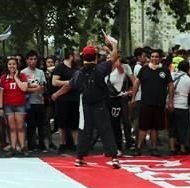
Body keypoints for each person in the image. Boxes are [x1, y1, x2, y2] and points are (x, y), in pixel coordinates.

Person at [52, 41, 121, 169]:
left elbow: (68, 86)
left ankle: (80, 158)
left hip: (85, 106)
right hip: (100, 105)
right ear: (96, 57)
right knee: (106, 130)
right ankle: (114, 158)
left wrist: (57, 94)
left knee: (84, 131)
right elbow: (114, 57)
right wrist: (114, 45)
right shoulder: (101, 68)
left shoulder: (78, 73)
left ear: (83, 57)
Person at [136, 50, 171, 156]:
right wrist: (133, 97)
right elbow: (136, 83)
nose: (154, 58)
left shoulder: (165, 70)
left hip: (159, 103)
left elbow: (170, 85)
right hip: (145, 103)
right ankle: (138, 147)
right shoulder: (144, 69)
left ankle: (154, 148)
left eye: (156, 57)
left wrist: (171, 101)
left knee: (155, 127)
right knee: (143, 126)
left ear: (160, 58)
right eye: (152, 56)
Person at [105, 50, 137, 153]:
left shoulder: (124, 67)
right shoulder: (105, 68)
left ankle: (126, 142)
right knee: (110, 123)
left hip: (120, 97)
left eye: (118, 56)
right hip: (108, 98)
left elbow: (134, 81)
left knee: (124, 121)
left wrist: (130, 92)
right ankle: (111, 145)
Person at [0, 57, 28, 155]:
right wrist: (1, 107)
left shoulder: (22, 75)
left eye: (14, 64)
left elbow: (24, 88)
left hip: (20, 104)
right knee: (12, 128)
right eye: (10, 64)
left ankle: (23, 147)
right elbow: (1, 93)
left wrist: (15, 78)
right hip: (8, 105)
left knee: (20, 127)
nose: (12, 66)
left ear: (17, 65)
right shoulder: (3, 77)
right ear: (7, 66)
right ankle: (13, 147)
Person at [51, 49, 80, 151]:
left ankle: (76, 144)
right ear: (71, 56)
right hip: (62, 99)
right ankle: (62, 144)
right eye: (76, 55)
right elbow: (54, 82)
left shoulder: (77, 68)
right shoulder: (60, 67)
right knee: (62, 122)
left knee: (74, 122)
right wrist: (69, 82)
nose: (78, 57)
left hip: (74, 98)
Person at [21, 51, 48, 152]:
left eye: (34, 59)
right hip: (29, 102)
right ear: (27, 60)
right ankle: (31, 144)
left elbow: (44, 86)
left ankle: (42, 144)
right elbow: (23, 88)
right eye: (30, 59)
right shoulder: (23, 72)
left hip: (39, 101)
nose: (32, 61)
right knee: (30, 124)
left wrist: (42, 88)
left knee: (41, 124)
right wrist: (34, 88)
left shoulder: (40, 72)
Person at [168, 59, 190, 154]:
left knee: (172, 127)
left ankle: (172, 148)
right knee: (183, 128)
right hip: (183, 107)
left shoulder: (171, 75)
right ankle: (182, 148)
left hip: (171, 106)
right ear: (188, 69)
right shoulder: (189, 80)